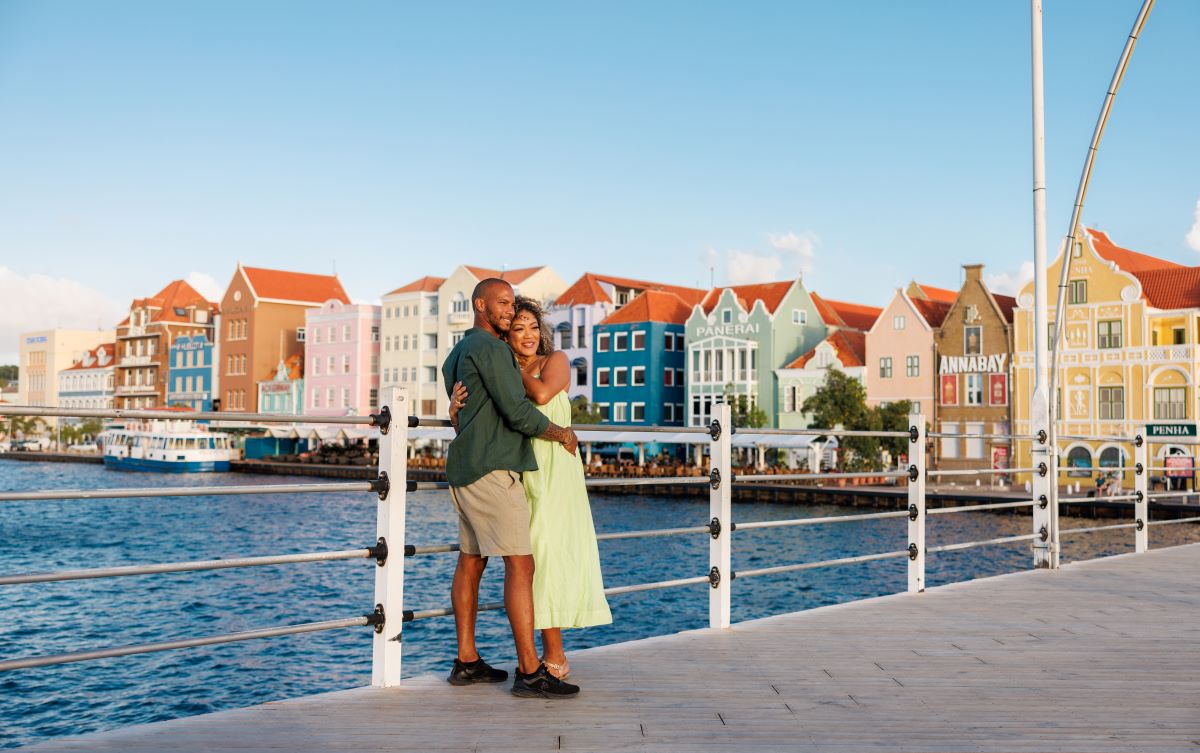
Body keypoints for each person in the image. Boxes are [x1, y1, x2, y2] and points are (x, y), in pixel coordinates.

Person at [450, 295, 612, 682]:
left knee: (549, 556)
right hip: (519, 471)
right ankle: (533, 659)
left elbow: (541, 394)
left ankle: (554, 653)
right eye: (517, 328)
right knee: (530, 559)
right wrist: (454, 410)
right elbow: (481, 422)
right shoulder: (502, 370)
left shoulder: (554, 362)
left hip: (556, 473)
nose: (527, 335)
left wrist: (503, 365)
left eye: (533, 327)